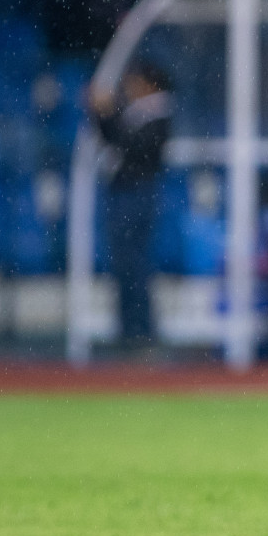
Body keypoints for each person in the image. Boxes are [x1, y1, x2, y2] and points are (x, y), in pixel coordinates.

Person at [92, 58, 173, 352]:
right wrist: (101, 114)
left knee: (135, 264)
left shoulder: (159, 113)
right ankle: (129, 329)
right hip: (127, 192)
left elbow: (133, 146)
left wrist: (109, 114)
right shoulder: (139, 112)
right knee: (125, 265)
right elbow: (114, 138)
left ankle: (140, 331)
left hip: (137, 193)